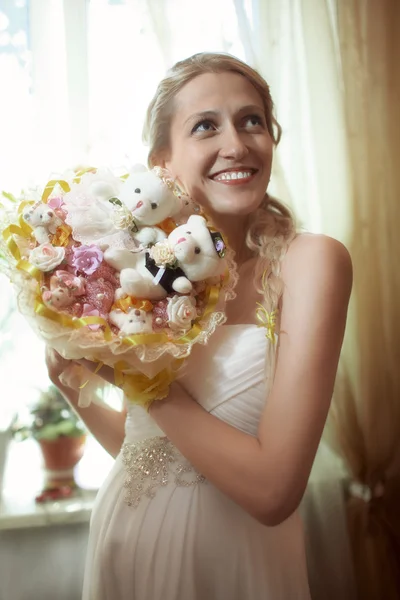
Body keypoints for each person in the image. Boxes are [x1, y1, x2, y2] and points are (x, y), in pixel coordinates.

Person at [46, 52, 352, 600]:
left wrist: (136, 380)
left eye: (251, 120)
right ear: (161, 162)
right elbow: (148, 452)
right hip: (124, 543)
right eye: (206, 125)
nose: (236, 143)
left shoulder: (312, 263)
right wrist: (73, 382)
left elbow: (273, 492)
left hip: (235, 561)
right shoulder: (144, 276)